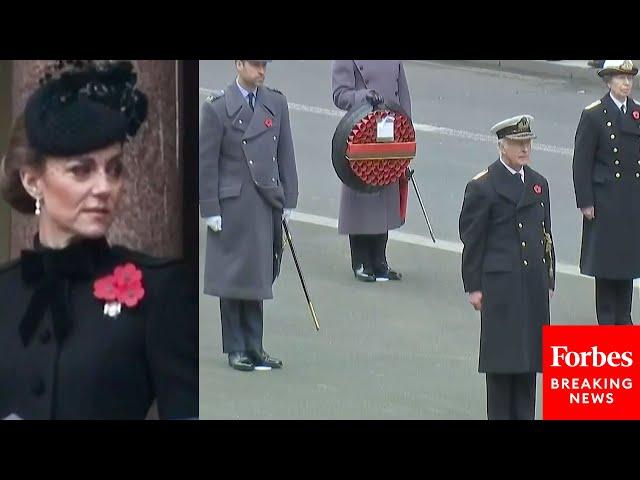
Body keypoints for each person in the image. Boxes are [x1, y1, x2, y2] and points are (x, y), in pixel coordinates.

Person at [0, 60, 198, 420]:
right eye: (81, 170)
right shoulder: (5, 293)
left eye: (114, 169)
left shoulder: (161, 290)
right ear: (32, 181)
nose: (104, 188)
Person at [199, 60, 298, 372]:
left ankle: (255, 346)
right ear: (238, 64)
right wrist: (210, 208)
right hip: (233, 204)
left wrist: (290, 198)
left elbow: (285, 153)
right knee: (232, 277)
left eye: (264, 65)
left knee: (259, 274)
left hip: (265, 201)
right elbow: (207, 164)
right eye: (255, 65)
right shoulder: (216, 109)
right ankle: (236, 348)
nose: (262, 71)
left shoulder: (276, 103)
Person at [459, 115, 555, 420]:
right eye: (517, 143)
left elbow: (546, 235)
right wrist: (473, 286)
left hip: (531, 285)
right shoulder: (483, 187)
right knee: (502, 366)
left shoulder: (539, 184)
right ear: (502, 147)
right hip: (500, 287)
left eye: (527, 143)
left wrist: (548, 278)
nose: (525, 149)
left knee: (528, 364)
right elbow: (472, 240)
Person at [572, 60, 640, 325]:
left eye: (629, 79)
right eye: (620, 78)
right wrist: (585, 201)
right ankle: (608, 322)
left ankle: (624, 321)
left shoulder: (636, 114)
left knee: (626, 267)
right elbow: (581, 162)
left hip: (631, 202)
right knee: (606, 267)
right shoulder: (594, 114)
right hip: (605, 203)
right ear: (608, 81)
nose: (626, 83)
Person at [331, 60, 411, 282]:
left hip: (390, 128)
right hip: (361, 130)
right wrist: (363, 96)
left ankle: (380, 260)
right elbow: (340, 94)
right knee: (361, 198)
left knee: (384, 197)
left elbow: (402, 93)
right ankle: (361, 260)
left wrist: (406, 129)